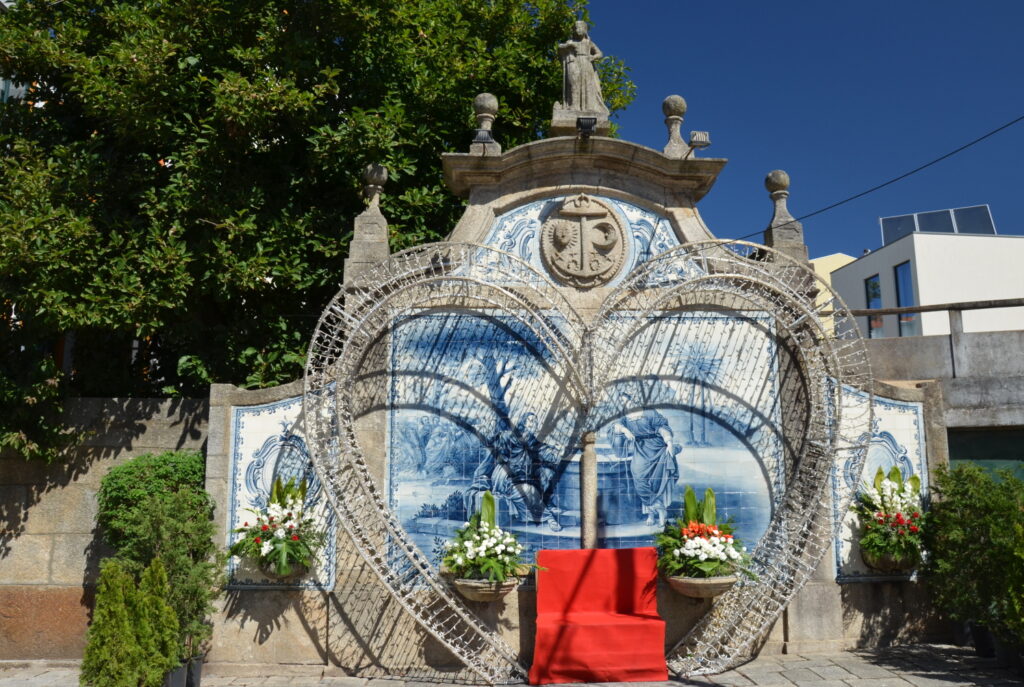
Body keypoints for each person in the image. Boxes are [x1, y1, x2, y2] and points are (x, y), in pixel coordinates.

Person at [609, 392, 679, 527]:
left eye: (626, 401)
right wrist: (625, 430)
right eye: (622, 402)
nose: (624, 404)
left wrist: (669, 442)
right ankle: (659, 509)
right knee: (639, 477)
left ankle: (654, 514)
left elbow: (662, 428)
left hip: (657, 448)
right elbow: (616, 426)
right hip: (641, 449)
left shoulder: (649, 413)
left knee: (656, 481)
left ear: (634, 399)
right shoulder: (625, 416)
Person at [557, 21, 609, 114]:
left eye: (580, 28)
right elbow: (560, 47)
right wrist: (568, 46)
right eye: (576, 28)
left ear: (585, 30)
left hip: (586, 63)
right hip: (574, 62)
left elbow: (600, 53)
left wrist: (593, 57)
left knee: (588, 84)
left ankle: (589, 107)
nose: (578, 30)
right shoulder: (571, 41)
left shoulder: (589, 42)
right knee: (574, 83)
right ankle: (574, 106)